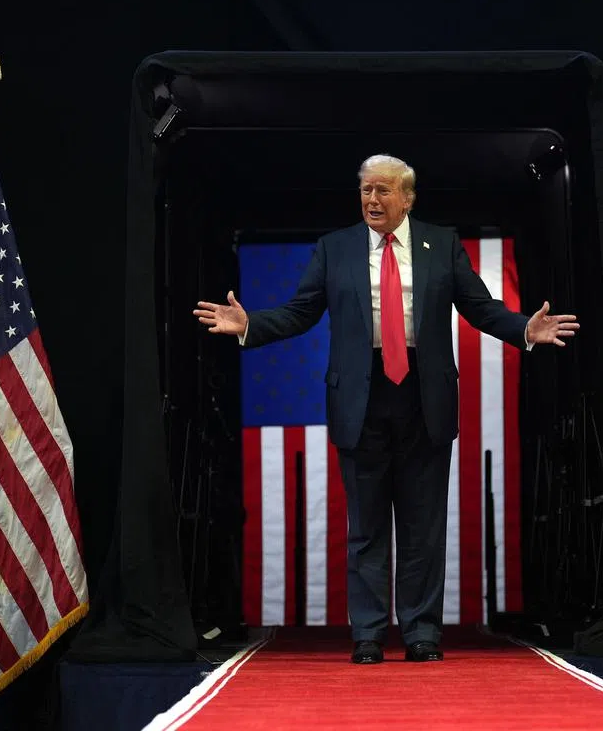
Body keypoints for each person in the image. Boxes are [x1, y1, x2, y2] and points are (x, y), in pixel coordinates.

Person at [195, 154, 577, 664]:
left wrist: (523, 329)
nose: (372, 200)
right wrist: (248, 326)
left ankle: (421, 633)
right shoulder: (335, 248)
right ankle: (369, 634)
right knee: (367, 527)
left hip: (425, 396)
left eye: (383, 191)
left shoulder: (441, 244)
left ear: (408, 197)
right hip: (361, 397)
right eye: (365, 191)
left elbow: (478, 307)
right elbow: (300, 311)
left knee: (423, 526)